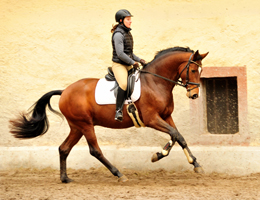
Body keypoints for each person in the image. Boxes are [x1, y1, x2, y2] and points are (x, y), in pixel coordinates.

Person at [111, 9, 146, 122]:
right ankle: (118, 111)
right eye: (128, 19)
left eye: (130, 19)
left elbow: (129, 53)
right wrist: (132, 62)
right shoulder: (118, 35)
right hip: (119, 65)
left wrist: (139, 59)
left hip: (128, 64)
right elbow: (120, 54)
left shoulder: (127, 33)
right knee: (124, 84)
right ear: (121, 21)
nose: (130, 21)